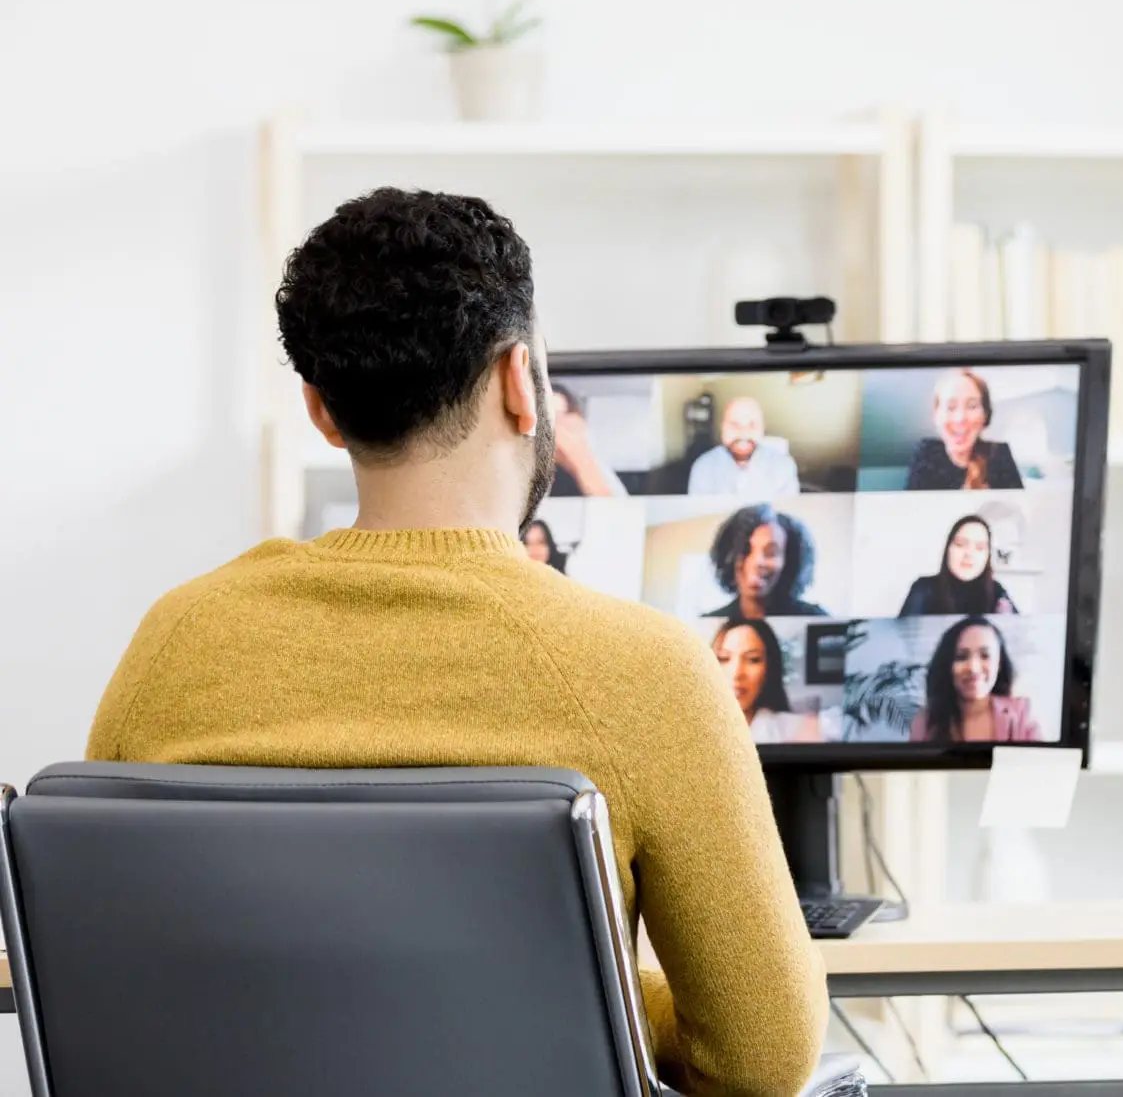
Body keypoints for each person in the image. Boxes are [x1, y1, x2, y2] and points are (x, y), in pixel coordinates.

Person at [87, 188, 824, 1097]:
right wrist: (564, 982)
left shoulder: (178, 640)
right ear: (523, 381)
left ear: (322, 409)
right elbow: (761, 1058)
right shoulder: (649, 672)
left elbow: (118, 978)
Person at [908, 616, 1044, 743]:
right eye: (961, 657)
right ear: (947, 664)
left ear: (999, 664)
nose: (973, 668)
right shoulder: (925, 722)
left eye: (985, 656)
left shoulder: (1022, 717)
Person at [904, 370, 1024, 490]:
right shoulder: (926, 452)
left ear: (985, 415)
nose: (960, 418)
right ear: (936, 415)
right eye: (950, 407)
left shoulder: (999, 454)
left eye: (972, 406)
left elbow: (1016, 506)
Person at [706, 503, 829, 620]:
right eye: (746, 550)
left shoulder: (815, 619)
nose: (758, 562)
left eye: (771, 553)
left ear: (789, 561)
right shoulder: (708, 623)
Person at [711, 620, 824, 742]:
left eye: (753, 659)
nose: (736, 673)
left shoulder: (800, 729)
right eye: (723, 658)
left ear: (769, 668)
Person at [897, 514, 1017, 617]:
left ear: (988, 555)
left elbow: (1017, 636)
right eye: (960, 544)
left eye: (980, 548)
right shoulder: (923, 589)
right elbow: (903, 639)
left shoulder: (997, 591)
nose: (969, 554)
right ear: (947, 549)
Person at [688, 396, 801, 497]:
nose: (743, 434)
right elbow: (699, 516)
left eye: (752, 425)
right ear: (722, 428)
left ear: (762, 428)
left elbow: (787, 515)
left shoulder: (783, 466)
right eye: (734, 425)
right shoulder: (703, 467)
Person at [547, 382, 628, 497]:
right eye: (549, 419)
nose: (556, 428)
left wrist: (577, 456)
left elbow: (618, 508)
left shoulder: (592, 462)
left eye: (562, 417)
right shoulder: (529, 469)